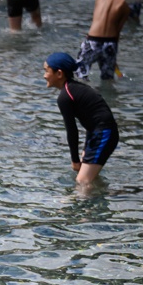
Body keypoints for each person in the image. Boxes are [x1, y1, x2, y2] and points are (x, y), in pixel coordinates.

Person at [44, 52, 119, 185]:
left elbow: (71, 129)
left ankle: (84, 204)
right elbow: (91, 120)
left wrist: (75, 160)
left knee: (82, 181)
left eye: (46, 71)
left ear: (59, 74)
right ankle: (99, 195)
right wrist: (86, 148)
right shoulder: (73, 89)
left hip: (104, 133)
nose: (44, 76)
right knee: (88, 178)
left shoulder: (65, 96)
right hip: (99, 132)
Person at [75, 0, 135, 81]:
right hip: (110, 43)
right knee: (108, 79)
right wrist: (114, 56)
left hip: (92, 40)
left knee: (80, 74)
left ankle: (82, 94)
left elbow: (95, 19)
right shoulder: (125, 6)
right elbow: (117, 32)